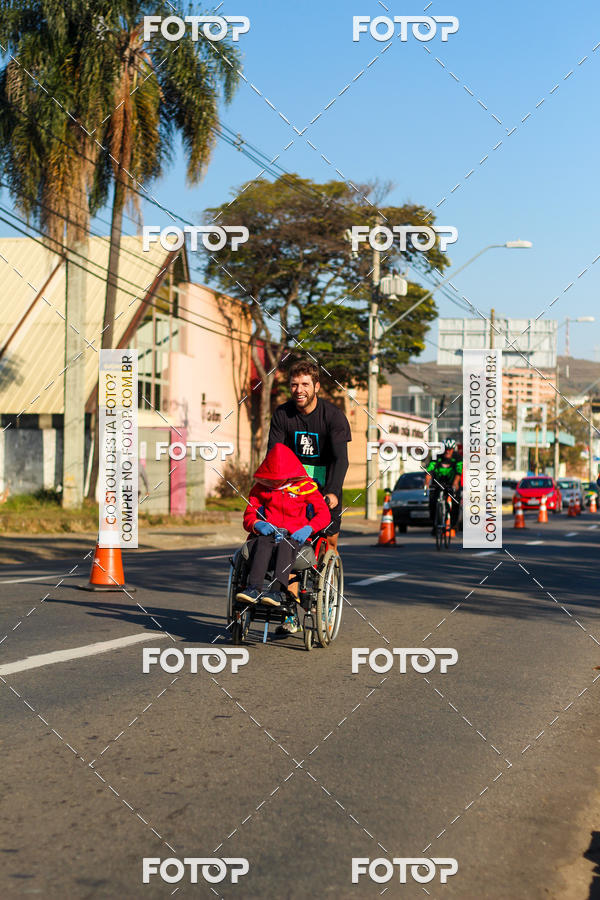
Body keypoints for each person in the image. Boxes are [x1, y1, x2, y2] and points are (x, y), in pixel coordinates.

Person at [267, 357, 351, 633]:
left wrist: (333, 492)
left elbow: (340, 460)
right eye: (294, 384)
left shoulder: (333, 416)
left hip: (325, 487)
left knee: (328, 541)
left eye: (305, 384)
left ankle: (325, 591)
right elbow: (274, 456)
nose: (299, 390)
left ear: (316, 386)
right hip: (293, 489)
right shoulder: (282, 415)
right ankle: (290, 612)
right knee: (289, 544)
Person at [236, 443, 331, 607]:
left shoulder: (306, 488)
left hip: (295, 536)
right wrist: (258, 524)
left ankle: (276, 592)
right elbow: (249, 515)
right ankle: (253, 589)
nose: (274, 483)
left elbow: (324, 515)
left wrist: (308, 528)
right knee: (262, 542)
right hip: (269, 534)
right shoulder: (260, 489)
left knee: (286, 545)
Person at [424, 438, 462, 534]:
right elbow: (429, 471)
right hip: (438, 483)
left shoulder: (457, 458)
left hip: (452, 482)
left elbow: (458, 472)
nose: (447, 451)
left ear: (453, 450)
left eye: (450, 449)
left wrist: (455, 483)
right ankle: (435, 525)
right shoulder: (436, 457)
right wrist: (426, 484)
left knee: (456, 501)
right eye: (446, 449)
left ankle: (453, 524)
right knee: (432, 502)